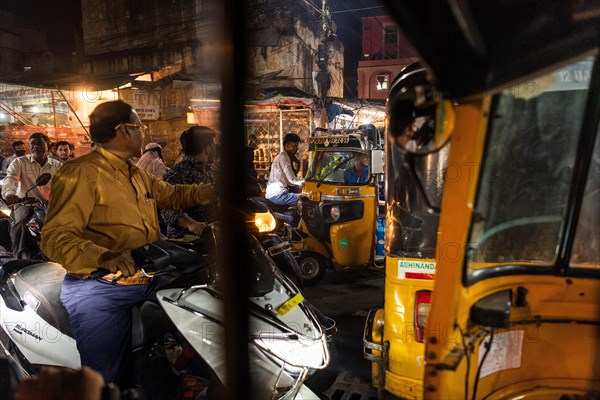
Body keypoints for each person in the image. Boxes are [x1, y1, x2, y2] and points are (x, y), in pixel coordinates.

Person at [40, 100, 213, 385]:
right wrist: (105, 256)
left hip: (147, 276)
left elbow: (171, 195)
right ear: (123, 130)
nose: (143, 133)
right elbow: (55, 236)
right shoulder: (82, 173)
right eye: (140, 127)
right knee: (105, 380)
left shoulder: (133, 172)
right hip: (100, 287)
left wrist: (214, 190)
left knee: (210, 318)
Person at [1, 132, 62, 259]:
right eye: (32, 144)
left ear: (48, 146)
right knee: (22, 222)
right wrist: (10, 193)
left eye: (40, 144)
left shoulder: (57, 165)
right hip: (25, 203)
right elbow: (10, 178)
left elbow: (67, 185)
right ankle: (21, 257)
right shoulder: (20, 162)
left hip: (50, 205)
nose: (35, 146)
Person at [161, 126, 218, 239]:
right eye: (213, 144)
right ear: (207, 148)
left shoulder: (212, 169)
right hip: (188, 243)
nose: (215, 148)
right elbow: (167, 208)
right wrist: (191, 224)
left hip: (215, 237)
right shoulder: (178, 172)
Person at [265, 133, 304, 206]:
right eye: (295, 146)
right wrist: (307, 181)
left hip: (274, 194)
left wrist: (300, 185)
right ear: (287, 146)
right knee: (306, 199)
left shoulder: (282, 156)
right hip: (278, 195)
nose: (297, 148)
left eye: (297, 146)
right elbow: (292, 179)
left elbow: (290, 182)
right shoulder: (284, 157)